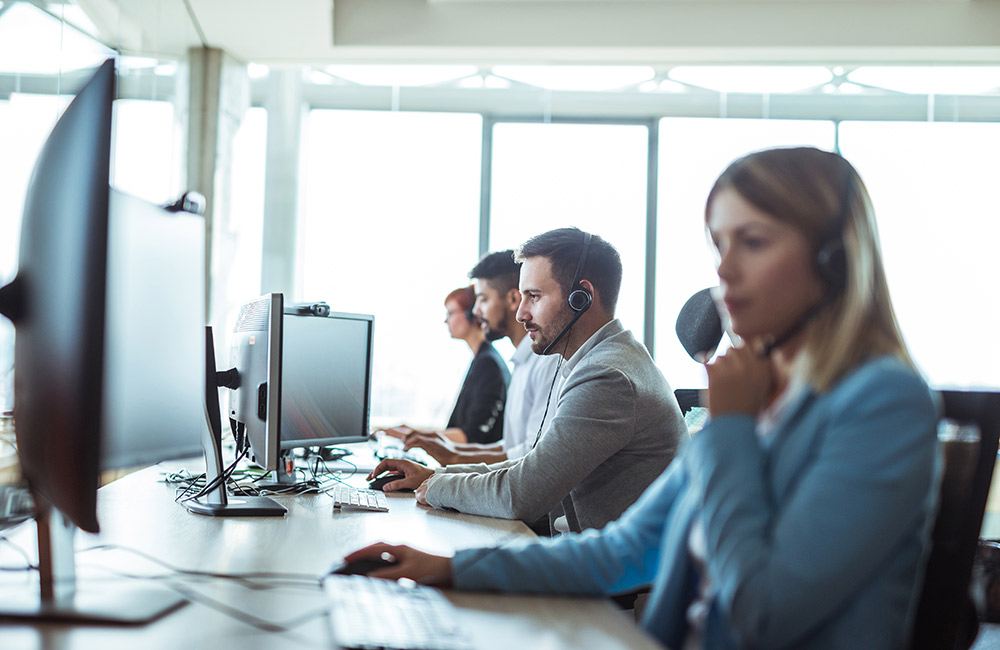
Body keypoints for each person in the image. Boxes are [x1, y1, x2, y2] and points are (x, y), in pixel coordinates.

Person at [345, 147, 939, 649]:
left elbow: (763, 614)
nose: (724, 272)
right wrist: (449, 568)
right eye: (719, 246)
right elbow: (625, 549)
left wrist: (729, 431)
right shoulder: (763, 402)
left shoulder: (883, 403)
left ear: (834, 263)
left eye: (752, 243)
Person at [370, 228, 687, 535]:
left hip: (611, 580)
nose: (520, 314)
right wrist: (437, 474)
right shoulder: (604, 359)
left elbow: (521, 494)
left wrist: (437, 486)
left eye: (533, 297)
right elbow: (532, 467)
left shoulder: (607, 376)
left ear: (582, 298)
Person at [400, 250, 561, 466]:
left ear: (513, 299)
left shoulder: (545, 362)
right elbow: (509, 447)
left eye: (483, 299)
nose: (476, 311)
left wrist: (449, 462)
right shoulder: (521, 363)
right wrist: (446, 449)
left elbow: (530, 457)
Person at [384, 286, 510, 445]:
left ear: (471, 314)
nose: (446, 320)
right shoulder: (481, 359)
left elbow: (471, 436)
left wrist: (415, 435)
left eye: (450, 313)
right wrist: (413, 432)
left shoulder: (488, 364)